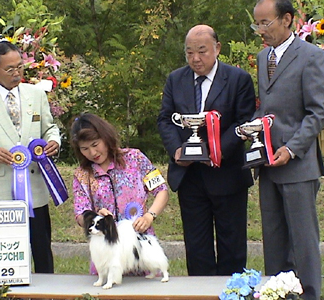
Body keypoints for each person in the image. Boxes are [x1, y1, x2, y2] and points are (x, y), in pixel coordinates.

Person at [157, 25, 256, 276]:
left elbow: (243, 122)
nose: (195, 59)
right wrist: (177, 151)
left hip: (227, 174)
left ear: (217, 48)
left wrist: (214, 151)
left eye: (202, 51)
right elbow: (165, 119)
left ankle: (232, 292)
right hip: (189, 176)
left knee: (232, 246)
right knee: (196, 246)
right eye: (189, 53)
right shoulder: (175, 79)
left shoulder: (238, 79)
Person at [0, 41, 61, 273]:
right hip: (0, 193)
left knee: (42, 254)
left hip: (35, 192)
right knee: (4, 256)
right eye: (9, 69)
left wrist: (54, 141)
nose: (17, 73)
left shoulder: (36, 94)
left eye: (19, 67)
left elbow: (50, 128)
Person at [250, 0, 324, 299]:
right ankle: (277, 294)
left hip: (298, 166)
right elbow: (267, 109)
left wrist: (291, 149)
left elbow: (317, 113)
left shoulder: (311, 56)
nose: (260, 31)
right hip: (268, 167)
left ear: (288, 20)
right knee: (274, 240)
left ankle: (309, 295)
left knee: (303, 243)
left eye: (266, 23)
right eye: (257, 24)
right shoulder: (263, 56)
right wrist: (250, 129)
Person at [71, 113, 168, 235]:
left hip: (141, 240)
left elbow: (161, 190)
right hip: (105, 245)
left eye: (95, 145)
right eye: (85, 149)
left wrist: (149, 216)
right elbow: (80, 213)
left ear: (105, 137)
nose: (92, 152)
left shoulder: (135, 158)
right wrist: (94, 219)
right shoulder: (81, 175)